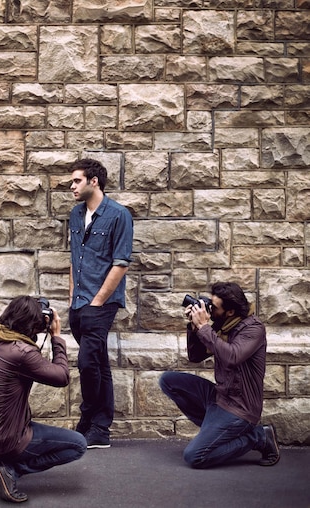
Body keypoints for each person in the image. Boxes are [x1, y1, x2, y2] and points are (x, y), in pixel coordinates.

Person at [0, 296, 87, 504]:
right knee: (78, 445)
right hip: (6, 438)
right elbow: (62, 377)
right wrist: (56, 338)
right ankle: (12, 470)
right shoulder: (22, 352)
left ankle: (2, 464)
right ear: (33, 325)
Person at [159, 281, 280, 469]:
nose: (208, 310)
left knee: (194, 457)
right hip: (219, 397)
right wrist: (194, 327)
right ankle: (216, 430)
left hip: (240, 408)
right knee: (168, 381)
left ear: (230, 311)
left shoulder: (253, 328)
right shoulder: (222, 324)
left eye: (213, 307)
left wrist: (205, 327)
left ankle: (259, 437)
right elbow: (196, 356)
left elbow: (232, 356)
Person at [68, 158, 133, 448]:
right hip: (78, 303)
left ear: (94, 181)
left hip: (100, 304)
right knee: (99, 363)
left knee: (86, 364)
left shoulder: (119, 215)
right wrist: (73, 299)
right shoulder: (75, 215)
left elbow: (120, 263)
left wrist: (97, 302)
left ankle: (88, 419)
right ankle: (100, 430)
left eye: (76, 180)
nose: (72, 186)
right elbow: (74, 259)